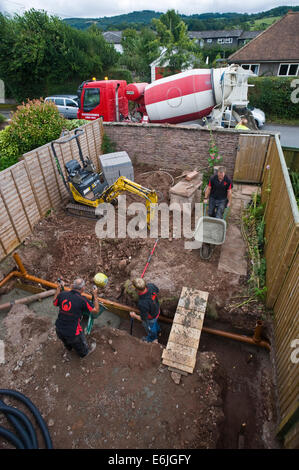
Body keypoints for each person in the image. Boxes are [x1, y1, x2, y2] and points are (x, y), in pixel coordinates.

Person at [53, 278, 99, 358]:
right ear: (83, 288)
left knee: (67, 343)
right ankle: (84, 353)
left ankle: (69, 349)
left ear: (72, 286)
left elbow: (54, 302)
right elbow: (96, 310)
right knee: (82, 348)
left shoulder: (62, 294)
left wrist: (58, 289)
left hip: (59, 329)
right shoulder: (82, 300)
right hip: (73, 332)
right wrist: (95, 295)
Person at [129, 278, 161, 343]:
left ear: (137, 289)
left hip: (150, 318)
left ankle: (152, 338)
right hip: (157, 311)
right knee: (155, 324)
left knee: (150, 328)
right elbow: (157, 290)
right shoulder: (151, 286)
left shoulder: (142, 303)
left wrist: (134, 315)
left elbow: (143, 319)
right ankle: (159, 331)